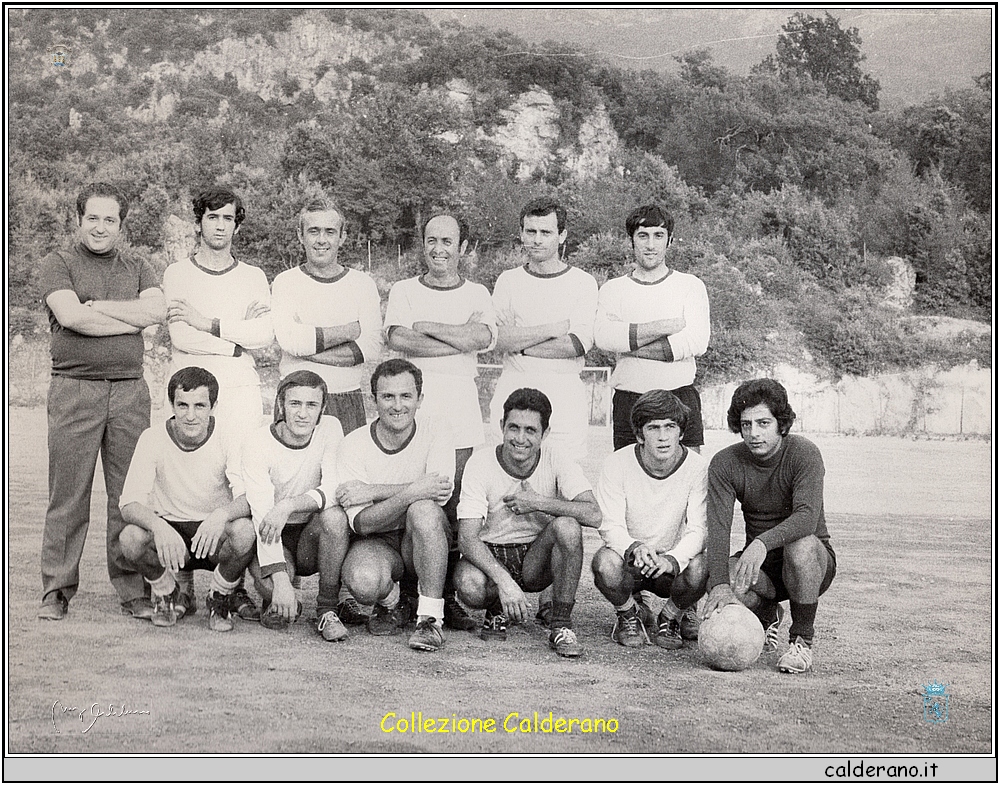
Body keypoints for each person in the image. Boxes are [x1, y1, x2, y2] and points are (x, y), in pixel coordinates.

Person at [38, 182, 166, 621]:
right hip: (75, 390)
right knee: (68, 496)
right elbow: (72, 317)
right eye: (92, 217)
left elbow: (155, 312)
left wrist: (102, 307)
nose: (100, 226)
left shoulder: (139, 265)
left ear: (121, 224)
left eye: (110, 219)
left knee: (127, 497)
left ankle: (132, 590)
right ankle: (56, 590)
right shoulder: (58, 263)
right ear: (79, 220)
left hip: (130, 391)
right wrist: (127, 320)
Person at [271, 197, 383, 626]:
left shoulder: (362, 284)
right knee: (289, 490)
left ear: (343, 237)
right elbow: (286, 338)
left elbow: (368, 348)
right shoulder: (285, 282)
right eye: (312, 231)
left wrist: (310, 349)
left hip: (347, 400)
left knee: (343, 498)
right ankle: (282, 577)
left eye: (329, 231)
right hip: (296, 400)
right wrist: (345, 334)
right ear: (300, 236)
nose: (321, 239)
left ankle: (339, 595)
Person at [162, 186, 273, 620]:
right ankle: (182, 583)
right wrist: (234, 341)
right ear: (199, 222)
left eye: (228, 218)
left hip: (240, 387)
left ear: (237, 224)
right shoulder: (177, 273)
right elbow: (180, 336)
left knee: (238, 478)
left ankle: (234, 586)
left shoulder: (253, 276)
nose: (220, 226)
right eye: (212, 218)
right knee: (187, 473)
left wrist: (209, 324)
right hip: (189, 380)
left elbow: (264, 335)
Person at [383, 213, 496, 632]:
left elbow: (478, 339)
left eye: (448, 241)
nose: (439, 249)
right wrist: (455, 334)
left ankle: (446, 598)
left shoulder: (479, 292)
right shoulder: (404, 290)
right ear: (422, 243)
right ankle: (411, 597)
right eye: (431, 240)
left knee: (453, 505)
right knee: (416, 500)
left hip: (462, 410)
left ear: (462, 247)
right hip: (416, 411)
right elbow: (399, 339)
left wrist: (426, 327)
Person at [702, 379, 837, 674]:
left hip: (810, 562)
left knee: (800, 545)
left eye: (763, 423)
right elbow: (719, 527)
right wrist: (721, 585)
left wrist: (761, 543)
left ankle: (801, 641)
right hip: (762, 570)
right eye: (746, 424)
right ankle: (767, 613)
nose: (753, 433)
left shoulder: (804, 453)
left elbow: (807, 517)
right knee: (725, 575)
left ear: (782, 424)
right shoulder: (725, 463)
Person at [455, 388, 601, 658]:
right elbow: (466, 537)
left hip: (534, 555)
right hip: (492, 551)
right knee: (468, 585)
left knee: (568, 527)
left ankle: (561, 624)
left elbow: (593, 514)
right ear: (501, 427)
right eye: (513, 428)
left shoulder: (556, 456)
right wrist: (504, 582)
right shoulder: (481, 462)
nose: (520, 438)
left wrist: (538, 502)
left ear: (545, 434)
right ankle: (497, 607)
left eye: (530, 430)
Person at [118, 368, 256, 630]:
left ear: (213, 406)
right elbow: (128, 504)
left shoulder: (230, 435)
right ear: (171, 404)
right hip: (172, 536)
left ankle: (219, 595)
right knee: (130, 537)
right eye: (182, 405)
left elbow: (248, 498)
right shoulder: (152, 437)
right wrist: (159, 527)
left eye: (200, 406)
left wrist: (221, 515)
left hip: (213, 535)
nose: (190, 415)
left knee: (245, 531)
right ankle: (168, 591)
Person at [336, 359, 455, 652]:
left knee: (424, 510)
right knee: (363, 583)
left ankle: (429, 619)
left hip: (423, 537)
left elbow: (438, 494)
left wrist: (373, 490)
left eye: (406, 396)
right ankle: (394, 600)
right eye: (388, 396)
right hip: (380, 541)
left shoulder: (437, 429)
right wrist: (412, 490)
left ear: (420, 399)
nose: (397, 405)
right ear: (374, 399)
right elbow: (361, 522)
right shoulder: (354, 444)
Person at [242, 370, 353, 641]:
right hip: (273, 531)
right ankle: (282, 593)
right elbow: (261, 515)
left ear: (322, 408)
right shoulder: (257, 441)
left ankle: (327, 607)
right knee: (274, 591)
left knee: (335, 518)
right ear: (281, 404)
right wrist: (281, 581)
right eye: (295, 404)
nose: (303, 414)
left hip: (311, 534)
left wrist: (289, 505)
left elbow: (333, 489)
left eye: (311, 405)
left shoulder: (330, 428)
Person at [592, 390, 708, 649]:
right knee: (604, 562)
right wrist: (634, 548)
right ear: (639, 434)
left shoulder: (698, 468)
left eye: (670, 426)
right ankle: (629, 614)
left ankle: (671, 616)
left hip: (671, 565)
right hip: (632, 563)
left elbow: (699, 529)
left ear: (681, 431)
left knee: (701, 565)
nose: (663, 436)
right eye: (653, 427)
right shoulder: (616, 463)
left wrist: (672, 560)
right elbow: (609, 524)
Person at [594, 204, 710, 453]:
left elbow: (696, 342)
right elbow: (604, 337)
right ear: (632, 240)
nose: (650, 244)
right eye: (643, 235)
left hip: (679, 396)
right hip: (630, 398)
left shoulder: (690, 286)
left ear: (669, 240)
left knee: (687, 476)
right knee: (629, 477)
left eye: (658, 236)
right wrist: (665, 326)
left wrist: (629, 344)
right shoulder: (613, 289)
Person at [488, 198, 598, 459]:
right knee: (506, 488)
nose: (537, 240)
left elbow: (575, 344)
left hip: (564, 404)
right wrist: (552, 329)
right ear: (521, 233)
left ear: (562, 236)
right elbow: (497, 339)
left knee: (564, 489)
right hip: (511, 397)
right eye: (531, 231)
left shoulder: (583, 282)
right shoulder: (508, 280)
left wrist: (521, 345)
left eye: (546, 232)